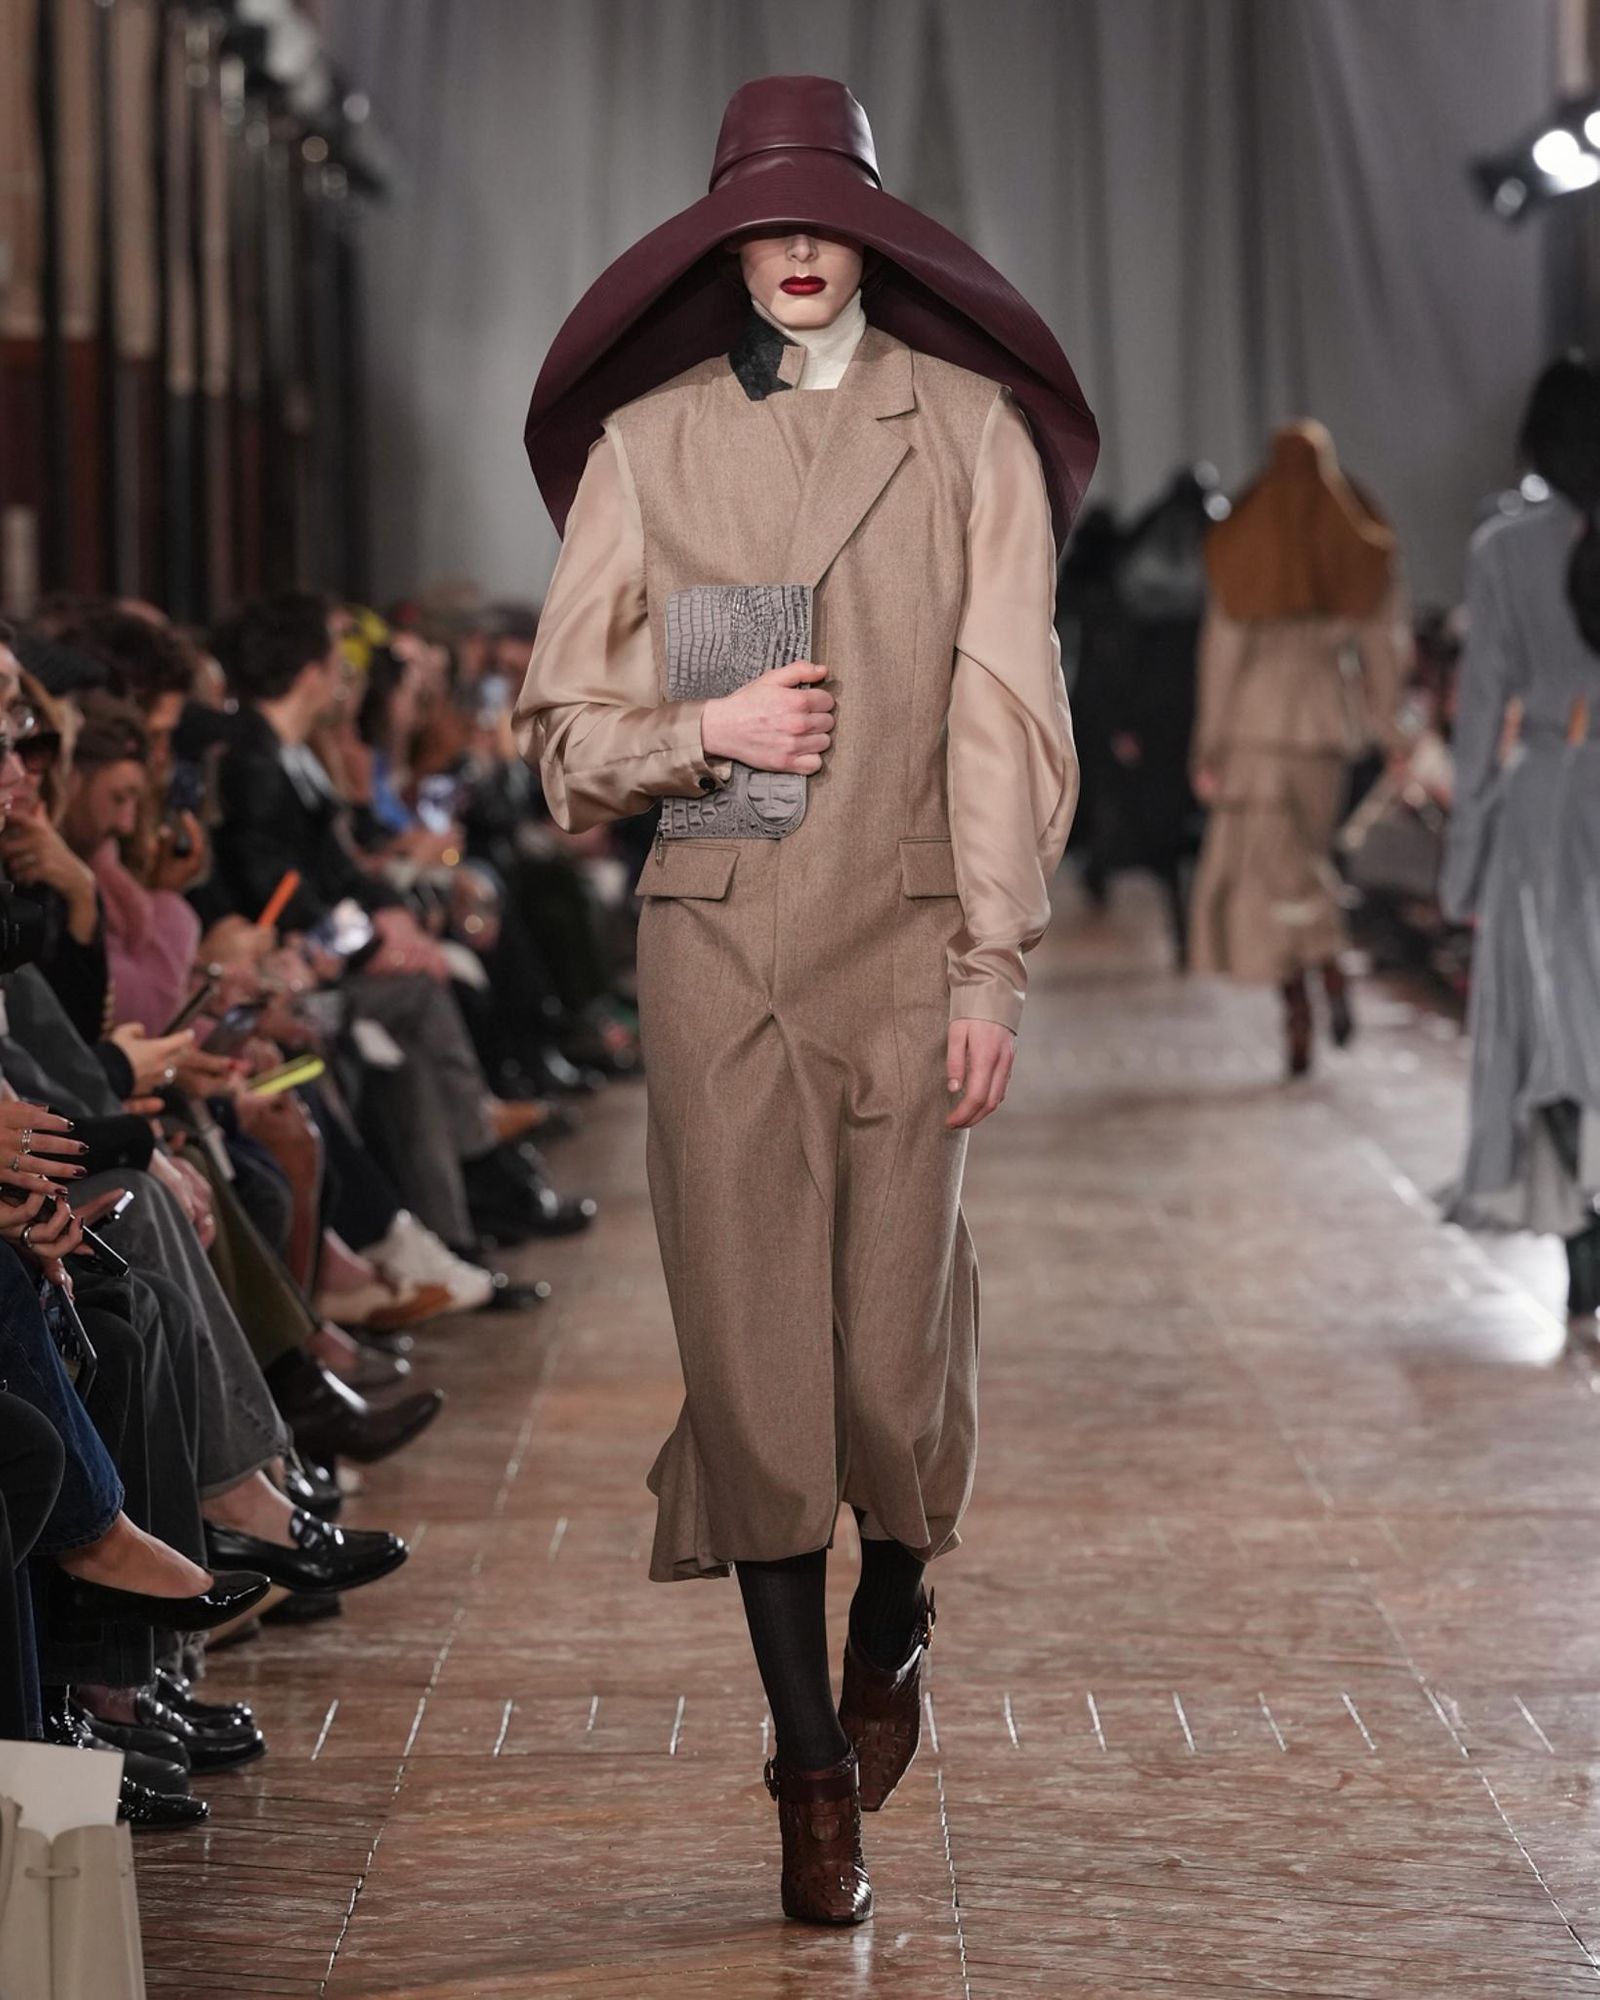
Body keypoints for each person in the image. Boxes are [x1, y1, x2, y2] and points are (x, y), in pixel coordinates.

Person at [516, 75, 1093, 1925]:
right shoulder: (651, 446)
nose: (792, 252)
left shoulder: (971, 431)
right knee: (757, 1366)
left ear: (869, 236)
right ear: (723, 243)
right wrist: (705, 730)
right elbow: (563, 738)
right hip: (720, 945)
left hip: (910, 939)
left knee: (889, 1369)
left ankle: (898, 1607)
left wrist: (994, 962)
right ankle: (809, 1772)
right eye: (761, 224)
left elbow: (1005, 719)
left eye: (821, 221)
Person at [1441, 357, 1600, 1321]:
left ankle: (1585, 1238)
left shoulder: (1504, 548)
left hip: (1549, 800)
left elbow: (1477, 725)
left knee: (1554, 1019)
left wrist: (1463, 867)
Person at [1188, 422, 1409, 1077]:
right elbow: (1383, 653)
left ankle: (1308, 999)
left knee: (1275, 876)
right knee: (1303, 863)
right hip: (1326, 731)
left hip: (1256, 730)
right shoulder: (1357, 541)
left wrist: (1209, 747)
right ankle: (1325, 978)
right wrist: (1391, 730)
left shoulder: (1244, 541)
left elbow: (1220, 660)